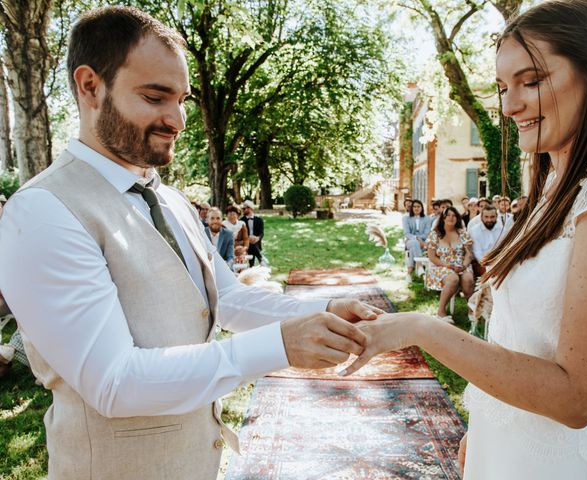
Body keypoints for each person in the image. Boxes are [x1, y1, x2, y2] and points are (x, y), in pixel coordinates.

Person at [0, 7, 382, 479]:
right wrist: (281, 345)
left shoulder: (171, 200)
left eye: (181, 99)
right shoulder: (42, 211)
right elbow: (115, 382)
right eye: (155, 96)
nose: (178, 119)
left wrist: (325, 308)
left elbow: (230, 300)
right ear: (90, 86)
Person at [344, 1, 587, 478]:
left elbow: (578, 397)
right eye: (504, 87)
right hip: (506, 446)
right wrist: (482, 430)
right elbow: (517, 341)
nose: (508, 106)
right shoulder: (554, 185)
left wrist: (425, 329)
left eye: (532, 81)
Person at [425, 206, 474, 323]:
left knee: (468, 279)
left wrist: (464, 265)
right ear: (443, 218)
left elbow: (469, 254)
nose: (451, 218)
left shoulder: (462, 233)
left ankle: (472, 309)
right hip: (441, 266)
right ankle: (441, 312)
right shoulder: (435, 234)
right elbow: (432, 257)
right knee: (453, 279)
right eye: (448, 215)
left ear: (457, 218)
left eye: (454, 216)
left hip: (461, 265)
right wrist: (448, 266)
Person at [402, 199, 432, 281]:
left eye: (418, 206)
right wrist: (417, 238)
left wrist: (420, 240)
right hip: (409, 241)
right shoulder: (406, 218)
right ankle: (419, 265)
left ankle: (409, 273)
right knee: (414, 243)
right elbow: (407, 233)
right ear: (411, 208)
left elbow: (426, 233)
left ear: (422, 208)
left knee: (413, 249)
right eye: (414, 206)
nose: (416, 208)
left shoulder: (427, 218)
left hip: (423, 242)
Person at [468, 205, 502, 277]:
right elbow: (478, 254)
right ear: (481, 217)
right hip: (481, 263)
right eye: (486, 217)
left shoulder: (502, 229)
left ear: (496, 216)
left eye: (492, 217)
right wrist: (490, 266)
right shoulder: (474, 231)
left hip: (499, 261)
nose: (489, 220)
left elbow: (504, 249)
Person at [240, 200, 264, 267]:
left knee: (252, 244)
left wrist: (257, 238)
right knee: (250, 244)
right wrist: (247, 239)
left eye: (244, 209)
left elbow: (261, 233)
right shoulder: (241, 220)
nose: (243, 210)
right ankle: (260, 258)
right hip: (246, 243)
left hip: (256, 242)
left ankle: (252, 265)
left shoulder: (259, 220)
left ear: (250, 208)